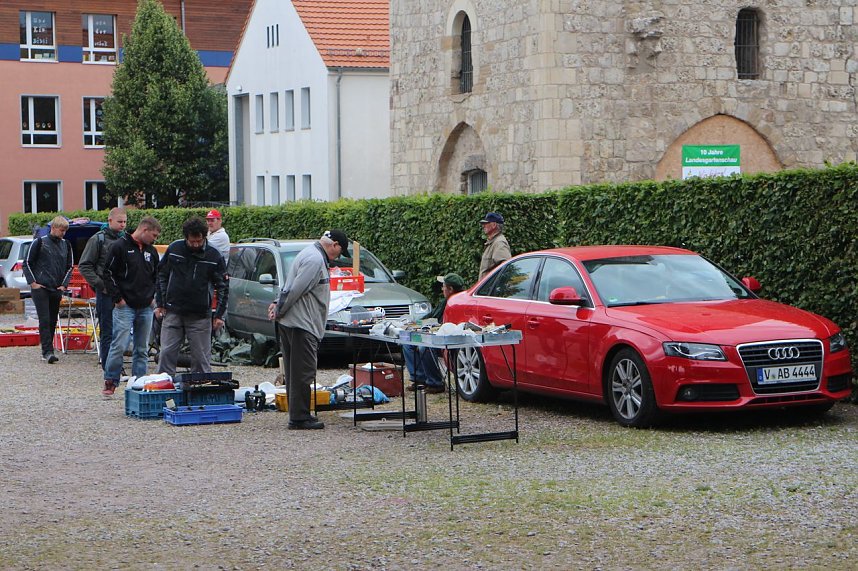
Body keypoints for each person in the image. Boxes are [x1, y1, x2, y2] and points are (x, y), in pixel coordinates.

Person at [267, 229, 349, 430]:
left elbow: (290, 285)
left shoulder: (308, 253)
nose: (338, 256)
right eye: (340, 251)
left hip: (293, 322)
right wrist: (279, 309)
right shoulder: (314, 260)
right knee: (303, 372)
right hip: (301, 325)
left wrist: (278, 304)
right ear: (334, 245)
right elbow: (295, 289)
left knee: (294, 372)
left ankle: (298, 414)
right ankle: (300, 417)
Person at [155, 216, 228, 380]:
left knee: (201, 358)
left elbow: (223, 286)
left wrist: (219, 315)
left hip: (200, 315)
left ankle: (201, 390)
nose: (195, 245)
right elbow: (161, 274)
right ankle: (162, 387)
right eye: (192, 241)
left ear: (204, 237)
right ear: (185, 237)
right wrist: (161, 303)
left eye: (199, 241)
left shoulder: (213, 256)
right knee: (166, 353)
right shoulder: (174, 249)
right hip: (173, 310)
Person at [101, 216, 161, 397]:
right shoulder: (119, 247)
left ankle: (139, 383)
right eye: (154, 235)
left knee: (142, 348)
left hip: (146, 306)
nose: (155, 239)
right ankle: (111, 380)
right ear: (144, 230)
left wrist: (153, 298)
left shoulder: (152, 251)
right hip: (125, 306)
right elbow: (107, 273)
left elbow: (157, 276)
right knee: (119, 344)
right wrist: (118, 298)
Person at [78, 207, 127, 368]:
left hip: (123, 291)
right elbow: (85, 266)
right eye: (120, 222)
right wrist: (101, 285)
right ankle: (108, 366)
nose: (123, 225)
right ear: (110, 220)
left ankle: (118, 364)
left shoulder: (126, 239)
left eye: (125, 222)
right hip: (105, 293)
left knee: (122, 331)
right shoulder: (97, 239)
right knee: (107, 331)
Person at [404, 273, 466, 393]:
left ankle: (435, 383)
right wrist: (414, 323)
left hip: (446, 339)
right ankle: (419, 379)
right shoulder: (444, 302)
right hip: (432, 334)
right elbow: (430, 316)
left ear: (450, 289)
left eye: (443, 286)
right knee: (407, 343)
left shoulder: (458, 303)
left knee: (424, 347)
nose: (442, 289)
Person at [23, 216, 73, 364]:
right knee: (44, 319)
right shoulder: (39, 242)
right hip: (41, 287)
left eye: (65, 231)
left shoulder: (67, 245)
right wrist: (32, 282)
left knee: (52, 320)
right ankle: (47, 351)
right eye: (61, 230)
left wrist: (64, 285)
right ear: (53, 228)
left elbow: (69, 266)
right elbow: (27, 263)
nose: (63, 233)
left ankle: (47, 348)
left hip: (56, 287)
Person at [478, 211, 511, 280]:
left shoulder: (499, 243)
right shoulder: (493, 242)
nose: (483, 226)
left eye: (486, 223)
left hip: (491, 289)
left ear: (494, 225)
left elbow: (506, 267)